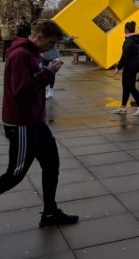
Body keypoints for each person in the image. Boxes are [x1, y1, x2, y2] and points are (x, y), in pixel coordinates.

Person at [0, 20, 79, 228]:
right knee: (14, 175)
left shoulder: (32, 53)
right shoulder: (20, 55)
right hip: (22, 124)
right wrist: (48, 73)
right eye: (51, 43)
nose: (52, 48)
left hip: (35, 122)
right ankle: (50, 213)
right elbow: (22, 92)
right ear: (39, 36)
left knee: (52, 165)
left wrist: (45, 72)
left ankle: (50, 213)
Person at [113, 21, 139, 116]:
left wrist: (118, 67)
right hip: (133, 66)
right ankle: (123, 107)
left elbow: (124, 56)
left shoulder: (129, 41)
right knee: (126, 87)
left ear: (126, 30)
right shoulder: (136, 39)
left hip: (130, 67)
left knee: (131, 87)